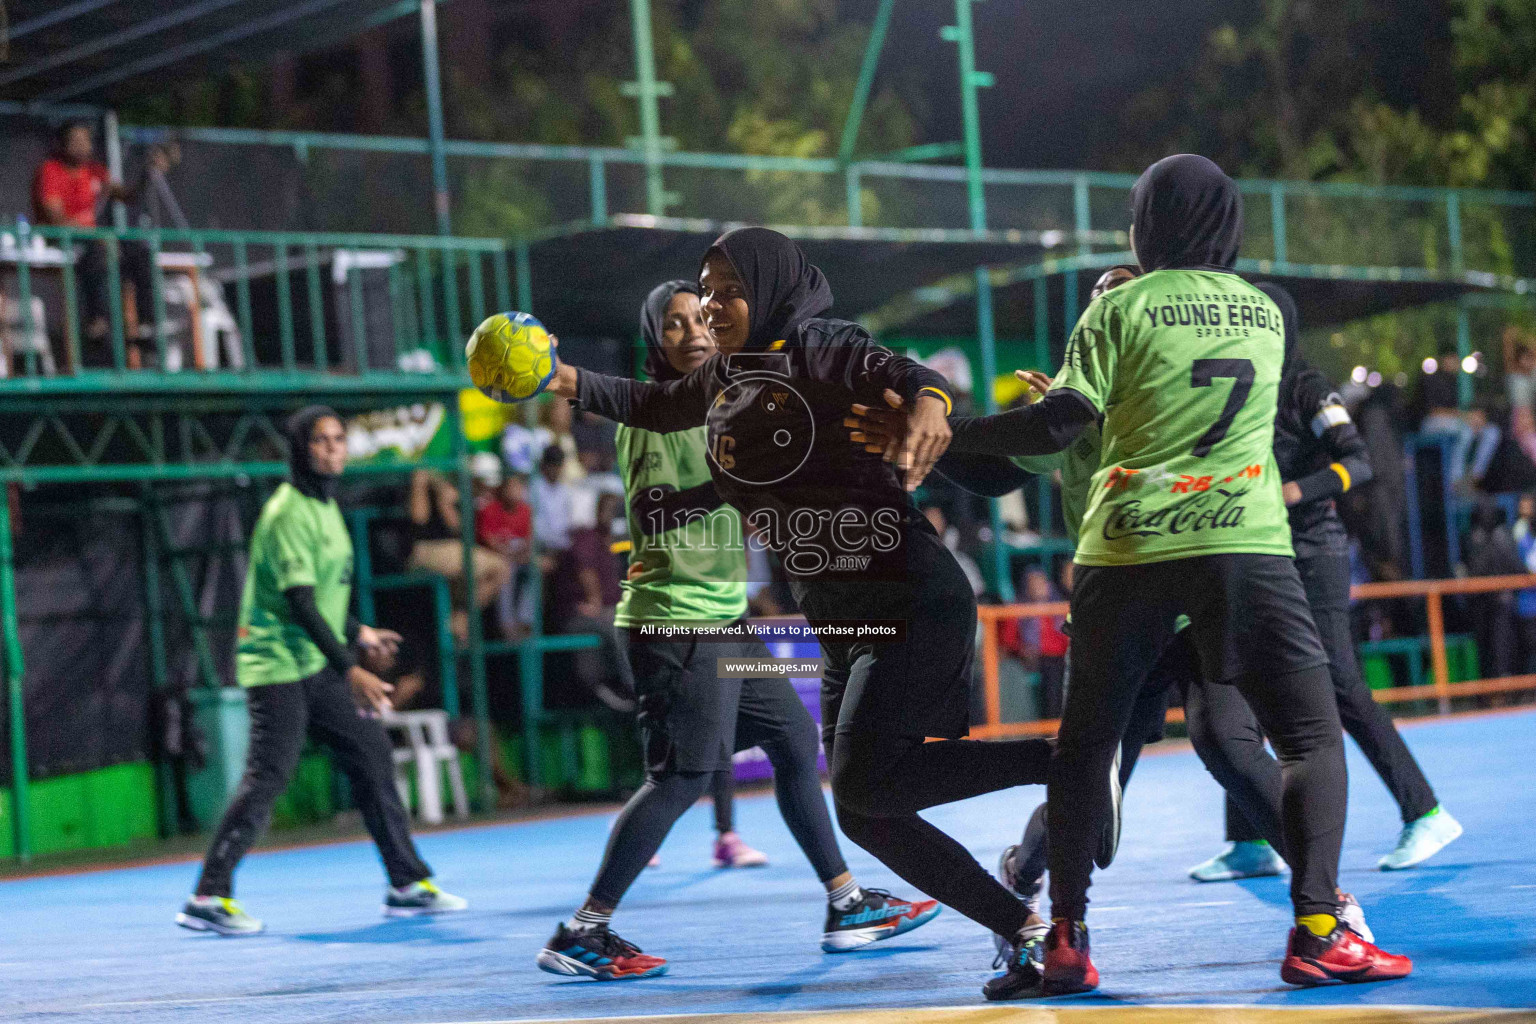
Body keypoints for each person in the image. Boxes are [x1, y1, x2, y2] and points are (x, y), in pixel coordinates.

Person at [917, 157, 1410, 992]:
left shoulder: (1117, 309)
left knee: (1085, 752)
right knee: (1310, 737)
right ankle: (1321, 928)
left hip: (1129, 549)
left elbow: (1058, 424)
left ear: (1145, 225)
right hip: (1243, 545)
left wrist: (943, 434)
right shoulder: (1263, 311)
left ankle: (1065, 939)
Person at [542, 239, 1057, 987]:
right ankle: (1022, 921)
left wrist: (928, 407)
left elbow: (911, 379)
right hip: (769, 620)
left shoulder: (817, 349)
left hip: (872, 600)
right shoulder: (715, 390)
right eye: (695, 302)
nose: (707, 313)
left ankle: (1044, 777)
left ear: (770, 291)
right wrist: (560, 379)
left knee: (834, 767)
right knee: (822, 798)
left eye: (721, 295)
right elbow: (650, 420)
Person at [1190, 283, 1460, 880]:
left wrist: (1297, 492)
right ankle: (1252, 841)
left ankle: (1426, 811)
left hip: (1315, 552)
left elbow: (1358, 462)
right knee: (1250, 682)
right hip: (1270, 552)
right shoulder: (1246, 385)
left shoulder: (1309, 388)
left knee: (1340, 683)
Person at [176, 407, 466, 935]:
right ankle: (208, 896)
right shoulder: (289, 512)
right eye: (321, 441)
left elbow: (327, 600)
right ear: (300, 449)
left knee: (373, 755)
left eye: (339, 440)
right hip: (277, 665)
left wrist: (361, 633)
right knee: (269, 776)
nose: (333, 449)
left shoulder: (327, 507)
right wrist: (351, 667)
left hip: (317, 661)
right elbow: (301, 603)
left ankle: (406, 883)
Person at [32, 121, 158, 366]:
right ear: (62, 144)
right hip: (60, 241)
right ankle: (96, 324)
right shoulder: (50, 171)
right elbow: (55, 219)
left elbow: (128, 196)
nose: (82, 146)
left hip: (93, 241)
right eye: (75, 141)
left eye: (86, 140)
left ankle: (145, 326)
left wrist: (148, 173)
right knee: (95, 252)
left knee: (139, 251)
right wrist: (96, 235)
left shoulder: (95, 171)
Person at [406, 469, 513, 642]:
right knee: (500, 568)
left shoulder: (458, 493)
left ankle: (460, 622)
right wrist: (425, 486)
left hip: (451, 553)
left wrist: (446, 500)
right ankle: (461, 619)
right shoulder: (425, 483)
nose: (485, 488)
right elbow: (419, 520)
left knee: (492, 572)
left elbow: (457, 528)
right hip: (425, 550)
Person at [1418, 345, 1500, 490]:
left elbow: (1461, 410)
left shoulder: (1458, 380)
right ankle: (1455, 483)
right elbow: (1434, 411)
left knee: (1491, 432)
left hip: (1454, 421)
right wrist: (1466, 417)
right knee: (1465, 431)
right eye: (1453, 358)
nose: (1456, 362)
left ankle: (1474, 478)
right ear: (1444, 359)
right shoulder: (1431, 377)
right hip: (1430, 423)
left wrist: (1475, 418)